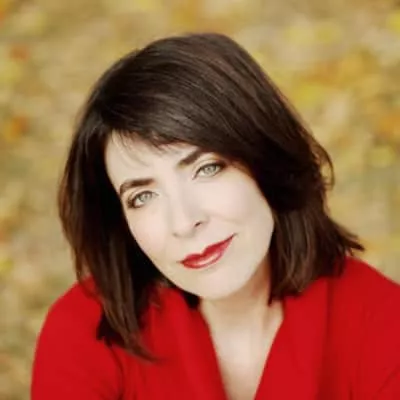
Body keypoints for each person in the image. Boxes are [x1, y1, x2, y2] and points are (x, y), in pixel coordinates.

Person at [31, 32, 400, 400]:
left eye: (206, 168)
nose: (183, 222)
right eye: (142, 196)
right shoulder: (86, 329)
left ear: (266, 159)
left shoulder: (381, 322)